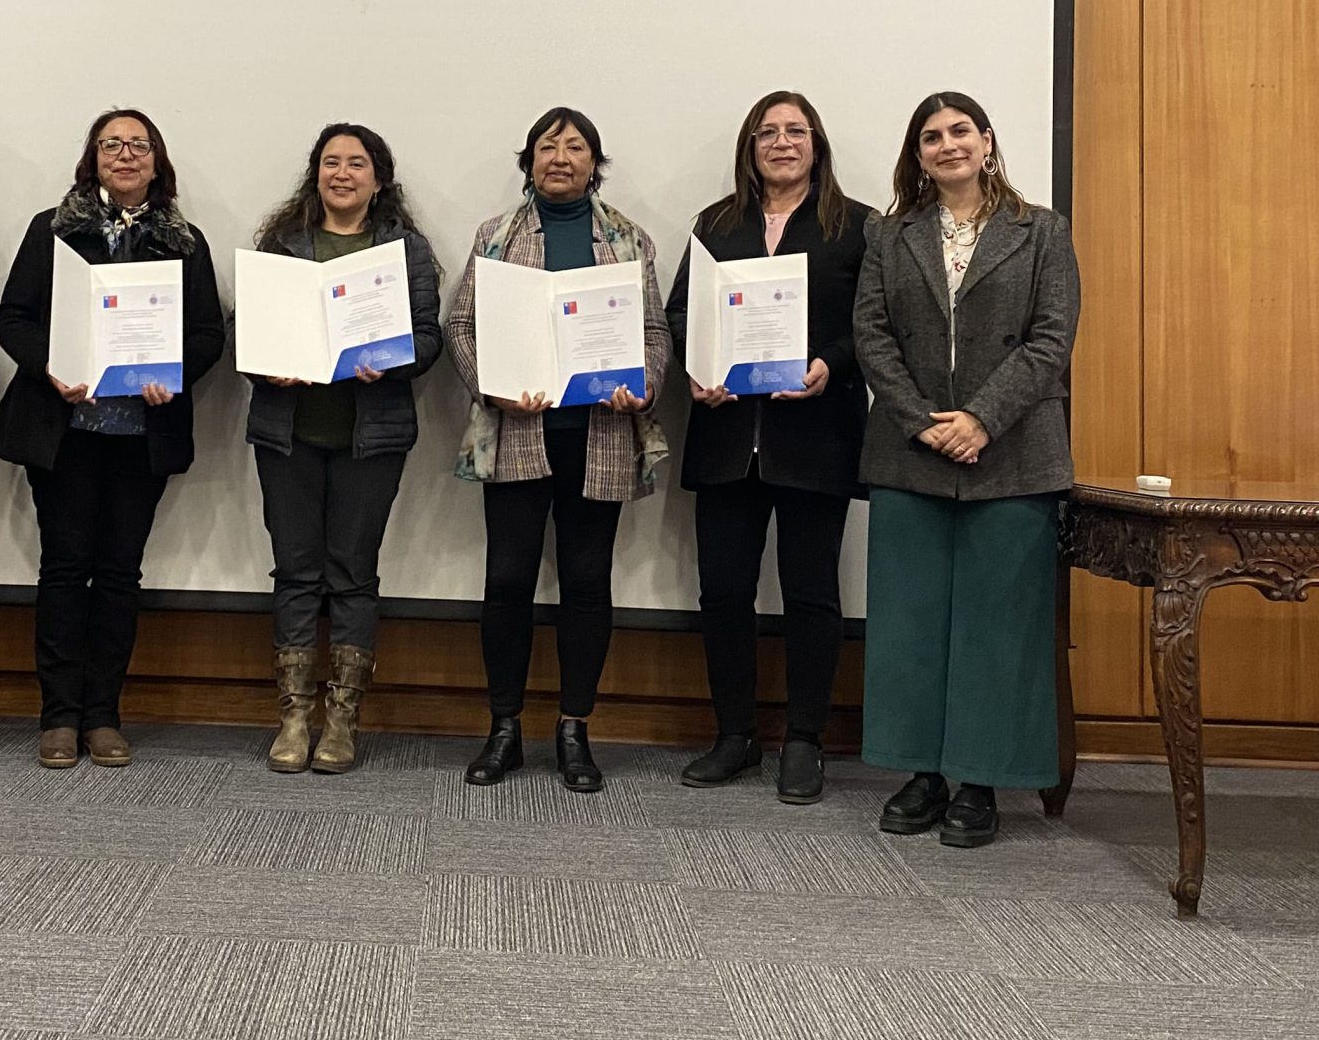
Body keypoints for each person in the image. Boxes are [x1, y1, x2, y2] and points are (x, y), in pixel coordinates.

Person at [853, 91, 1080, 849]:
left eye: (960, 132)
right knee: (909, 622)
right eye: (931, 137)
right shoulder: (889, 236)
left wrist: (981, 419)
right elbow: (872, 335)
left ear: (987, 141)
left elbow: (1051, 340)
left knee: (996, 624)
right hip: (910, 451)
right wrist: (926, 424)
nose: (948, 145)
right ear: (916, 155)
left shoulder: (1042, 231)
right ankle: (920, 773)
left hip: (1014, 453)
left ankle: (979, 780)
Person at [0, 108, 225, 769]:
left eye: (138, 145)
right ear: (92, 159)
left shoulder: (185, 241)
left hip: (139, 434)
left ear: (158, 161)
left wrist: (169, 375)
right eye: (111, 144)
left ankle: (103, 716)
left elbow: (208, 334)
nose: (125, 154)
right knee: (65, 570)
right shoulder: (52, 231)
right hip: (64, 433)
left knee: (119, 574)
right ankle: (58, 717)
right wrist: (52, 365)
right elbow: (13, 320)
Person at [445, 106, 669, 792]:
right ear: (530, 161)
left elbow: (655, 333)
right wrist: (493, 386)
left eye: (575, 147)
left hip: (598, 436)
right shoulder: (496, 236)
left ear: (594, 162)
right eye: (548, 146)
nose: (561, 157)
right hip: (517, 434)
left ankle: (575, 730)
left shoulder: (628, 241)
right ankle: (504, 728)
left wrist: (644, 387)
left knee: (586, 583)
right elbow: (460, 324)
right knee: (507, 582)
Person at [664, 91, 868, 802]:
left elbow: (873, 330)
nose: (781, 142)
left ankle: (805, 740)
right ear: (750, 148)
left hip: (815, 438)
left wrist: (830, 365)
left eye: (795, 131)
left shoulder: (856, 227)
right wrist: (698, 368)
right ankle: (735, 734)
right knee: (723, 592)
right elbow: (682, 314)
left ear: (817, 144)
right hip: (726, 441)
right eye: (767, 133)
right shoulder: (716, 224)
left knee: (812, 594)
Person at [245, 124, 444, 775]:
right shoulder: (283, 242)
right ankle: (294, 716)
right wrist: (266, 365)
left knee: (352, 572)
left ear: (379, 179)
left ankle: (342, 720)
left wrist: (389, 361)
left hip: (371, 434)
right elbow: (244, 329)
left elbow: (427, 337)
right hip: (289, 432)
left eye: (357, 163)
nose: (342, 173)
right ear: (316, 174)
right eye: (331, 162)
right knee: (296, 569)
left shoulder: (404, 250)